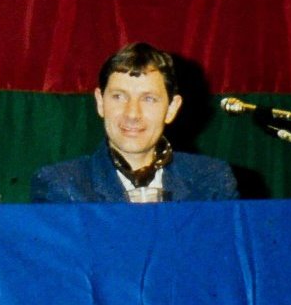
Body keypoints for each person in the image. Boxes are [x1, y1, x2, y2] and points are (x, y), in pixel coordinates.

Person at [30, 43, 238, 203]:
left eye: (148, 99)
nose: (132, 113)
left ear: (172, 108)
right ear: (100, 103)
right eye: (119, 97)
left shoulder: (212, 181)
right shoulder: (61, 185)